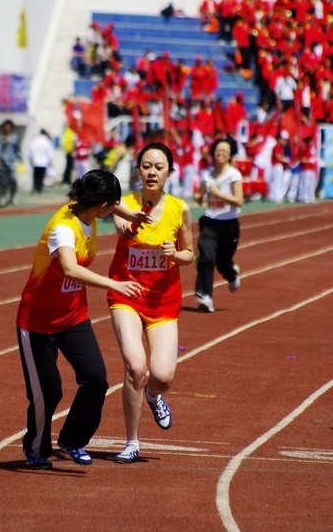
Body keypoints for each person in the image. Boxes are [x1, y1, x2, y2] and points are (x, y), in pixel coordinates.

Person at [16, 169, 149, 469]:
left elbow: (114, 205)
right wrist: (115, 284)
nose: (114, 209)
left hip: (73, 317)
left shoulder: (88, 210)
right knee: (48, 393)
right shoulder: (64, 228)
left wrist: (130, 214)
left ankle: (73, 440)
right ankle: (35, 448)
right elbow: (70, 269)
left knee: (96, 379)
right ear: (101, 206)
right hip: (37, 322)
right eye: (112, 205)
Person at [107, 142, 194, 464]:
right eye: (146, 166)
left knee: (162, 376)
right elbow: (123, 230)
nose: (152, 172)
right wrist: (130, 226)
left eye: (159, 167)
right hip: (127, 294)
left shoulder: (180, 209)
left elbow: (190, 253)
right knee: (135, 367)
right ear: (138, 170)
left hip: (163, 302)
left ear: (170, 172)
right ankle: (132, 442)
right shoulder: (125, 204)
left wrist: (177, 255)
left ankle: (154, 395)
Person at [194, 137, 243, 313]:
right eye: (217, 150)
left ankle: (232, 274)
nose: (220, 153)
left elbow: (238, 200)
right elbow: (198, 198)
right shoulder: (207, 176)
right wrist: (200, 196)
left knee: (222, 262)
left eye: (224, 151)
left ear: (230, 155)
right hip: (210, 222)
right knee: (206, 258)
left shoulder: (234, 175)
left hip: (229, 224)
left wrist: (217, 193)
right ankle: (205, 297)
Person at [0, 119, 22, 199]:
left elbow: (17, 149)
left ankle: (13, 196)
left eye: (9, 127)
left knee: (13, 180)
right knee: (2, 180)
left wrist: (20, 159)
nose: (7, 129)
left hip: (12, 162)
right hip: (2, 162)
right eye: (6, 127)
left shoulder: (15, 137)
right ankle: (2, 196)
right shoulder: (1, 137)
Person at [28, 128, 55, 194]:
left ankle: (34, 188)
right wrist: (50, 163)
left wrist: (31, 161)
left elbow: (30, 151)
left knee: (35, 177)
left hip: (35, 162)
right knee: (41, 177)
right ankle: (39, 190)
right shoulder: (46, 142)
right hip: (44, 163)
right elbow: (50, 153)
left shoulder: (35, 140)